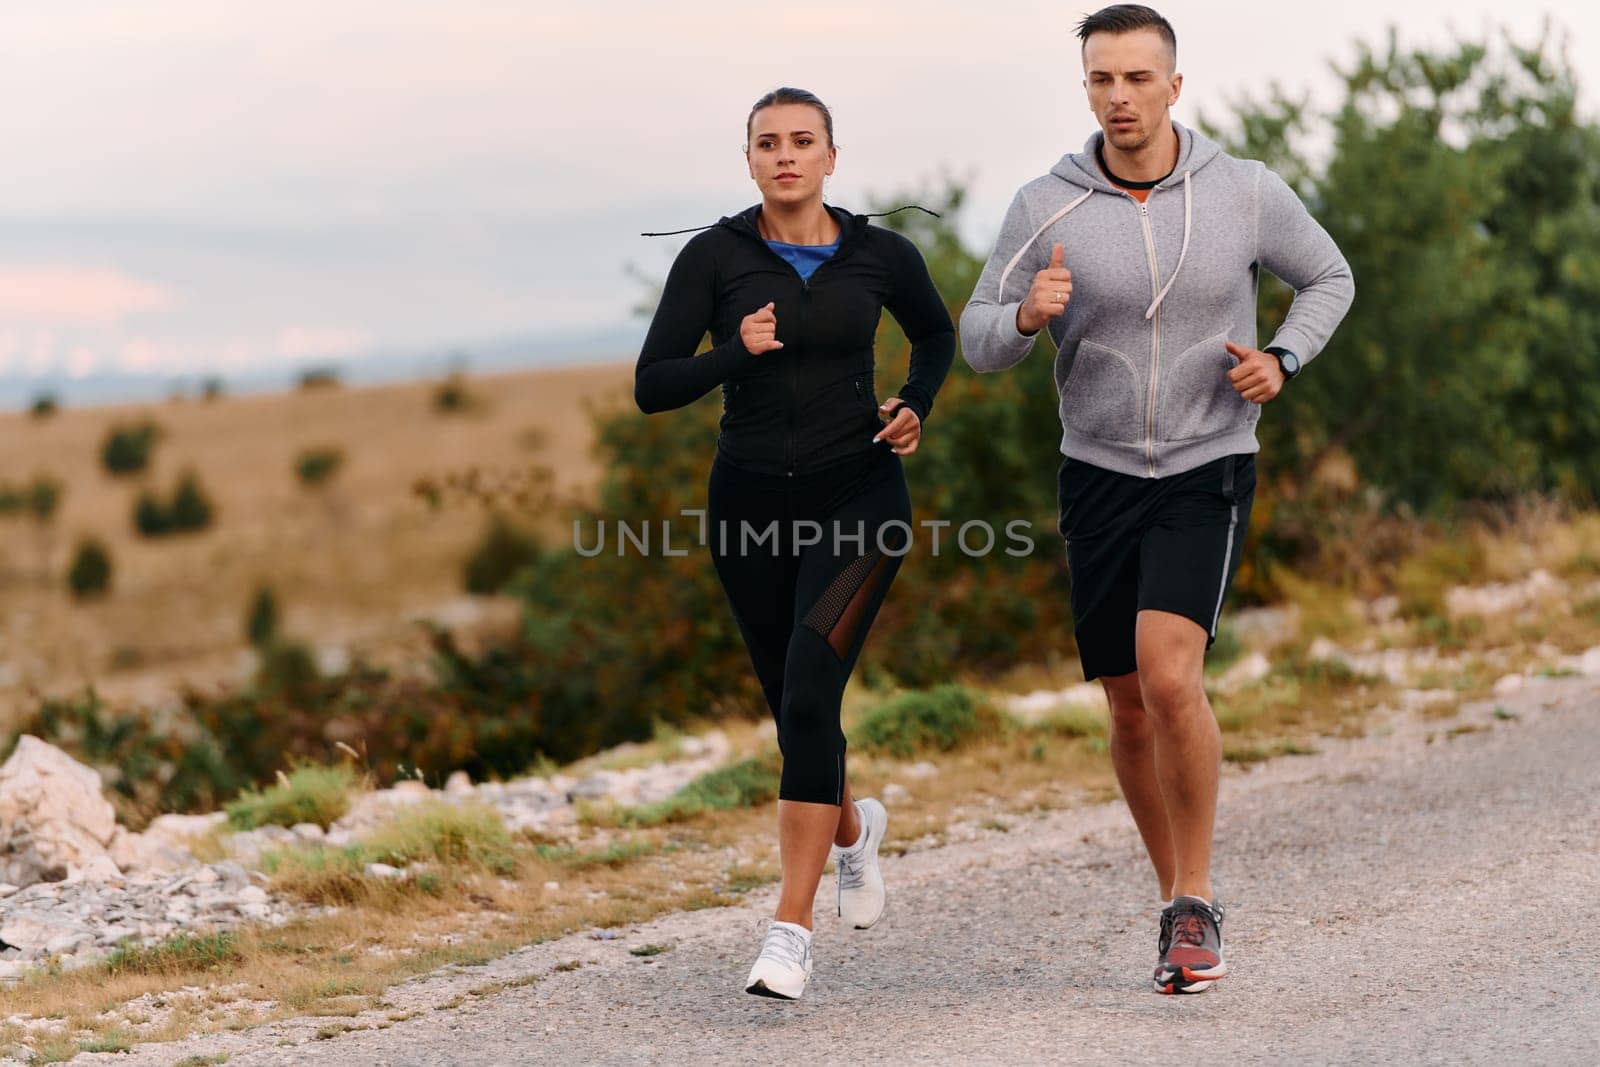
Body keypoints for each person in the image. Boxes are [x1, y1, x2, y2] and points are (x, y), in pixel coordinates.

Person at [960, 4, 1353, 994]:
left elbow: (1328, 277)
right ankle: (1176, 900)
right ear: (1085, 87)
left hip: (1205, 459)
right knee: (1129, 705)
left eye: (1138, 77)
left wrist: (1282, 357)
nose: (1120, 96)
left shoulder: (1244, 191)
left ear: (1174, 85)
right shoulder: (1044, 204)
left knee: (1170, 676)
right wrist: (1021, 315)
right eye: (1102, 79)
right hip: (1093, 468)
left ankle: (1194, 894)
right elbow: (976, 337)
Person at [635, 87, 955, 1000]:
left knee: (813, 683)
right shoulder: (714, 258)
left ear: (830, 156)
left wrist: (914, 407)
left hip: (860, 494)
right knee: (794, 708)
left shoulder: (880, 253)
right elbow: (653, 385)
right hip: (746, 507)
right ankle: (852, 832)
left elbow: (934, 337)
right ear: (748, 160)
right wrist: (734, 350)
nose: (786, 155)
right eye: (767, 142)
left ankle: (790, 931)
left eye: (802, 141)